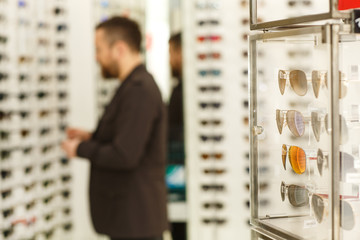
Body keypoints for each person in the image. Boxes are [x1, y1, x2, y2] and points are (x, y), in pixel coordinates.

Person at [61, 17, 168, 240]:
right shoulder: (132, 86)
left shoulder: (139, 90)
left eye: (99, 49)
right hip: (129, 220)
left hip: (136, 222)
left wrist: (80, 149)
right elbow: (128, 138)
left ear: (119, 49)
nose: (96, 57)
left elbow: (125, 155)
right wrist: (91, 137)